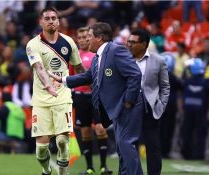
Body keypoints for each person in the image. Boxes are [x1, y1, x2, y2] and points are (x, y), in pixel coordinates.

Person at [49, 22, 143, 175]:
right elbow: (88, 76)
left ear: (99, 38)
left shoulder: (116, 50)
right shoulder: (98, 57)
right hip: (118, 108)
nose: (87, 40)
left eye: (90, 37)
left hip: (128, 107)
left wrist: (128, 100)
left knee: (126, 144)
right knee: (122, 146)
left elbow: (135, 74)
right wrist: (62, 80)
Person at [26, 7, 83, 175]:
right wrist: (49, 86)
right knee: (41, 149)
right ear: (41, 22)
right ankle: (46, 170)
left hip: (63, 97)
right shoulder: (33, 45)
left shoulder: (69, 42)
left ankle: (63, 173)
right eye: (47, 18)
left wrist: (95, 81)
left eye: (53, 18)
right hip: (41, 101)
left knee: (63, 141)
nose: (51, 20)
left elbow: (79, 68)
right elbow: (39, 67)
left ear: (58, 21)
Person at [127, 29, 170, 175]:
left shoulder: (158, 60)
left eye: (133, 42)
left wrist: (162, 105)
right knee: (128, 145)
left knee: (153, 145)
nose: (129, 44)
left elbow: (165, 86)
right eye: (129, 41)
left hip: (150, 107)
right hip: (129, 107)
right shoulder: (124, 59)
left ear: (144, 44)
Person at [72, 27, 112, 175]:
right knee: (85, 131)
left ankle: (103, 166)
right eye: (80, 37)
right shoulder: (74, 56)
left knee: (100, 128)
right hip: (80, 97)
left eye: (85, 37)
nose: (83, 40)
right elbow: (70, 78)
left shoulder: (97, 54)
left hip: (96, 96)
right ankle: (89, 167)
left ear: (90, 38)